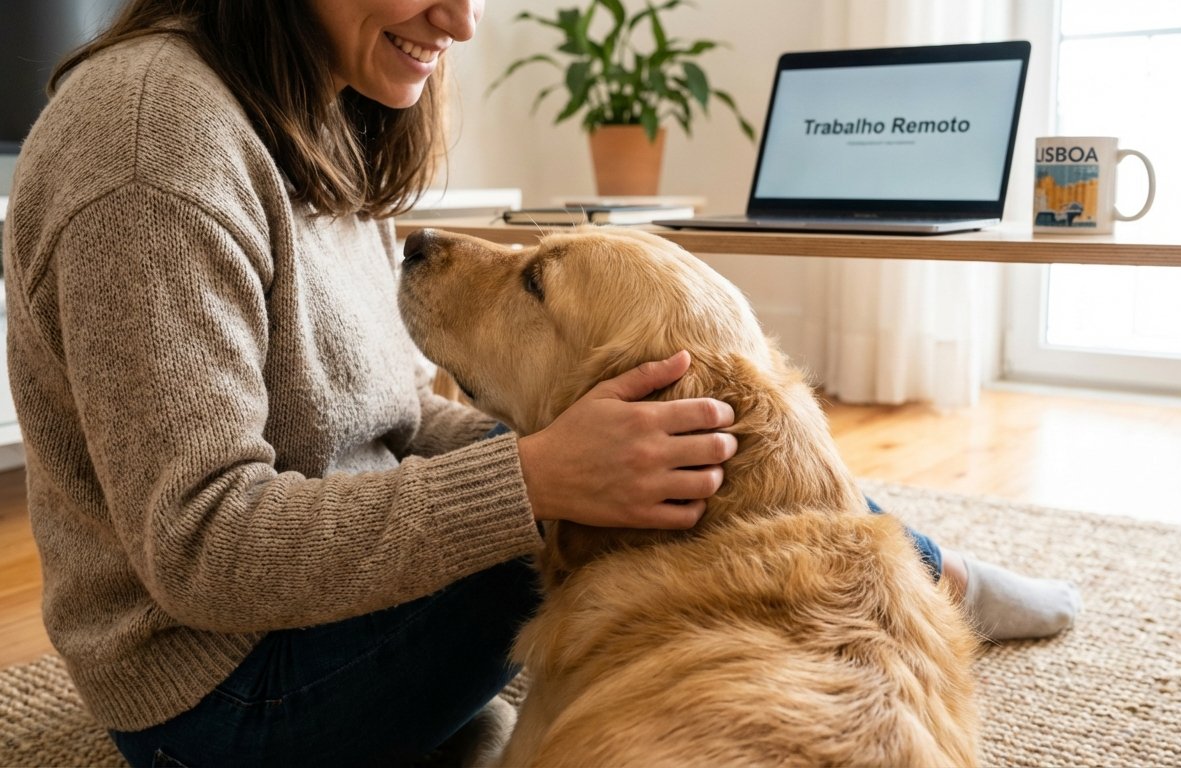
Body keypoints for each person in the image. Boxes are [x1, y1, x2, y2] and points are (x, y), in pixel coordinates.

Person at [2, 1, 1078, 765]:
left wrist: (578, 463)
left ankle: (911, 566)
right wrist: (530, 484)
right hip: (223, 696)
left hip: (324, 606)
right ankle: (923, 571)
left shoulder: (306, 109)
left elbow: (380, 415)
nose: (464, 22)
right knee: (650, 533)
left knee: (696, 460)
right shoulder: (149, 148)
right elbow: (202, 548)